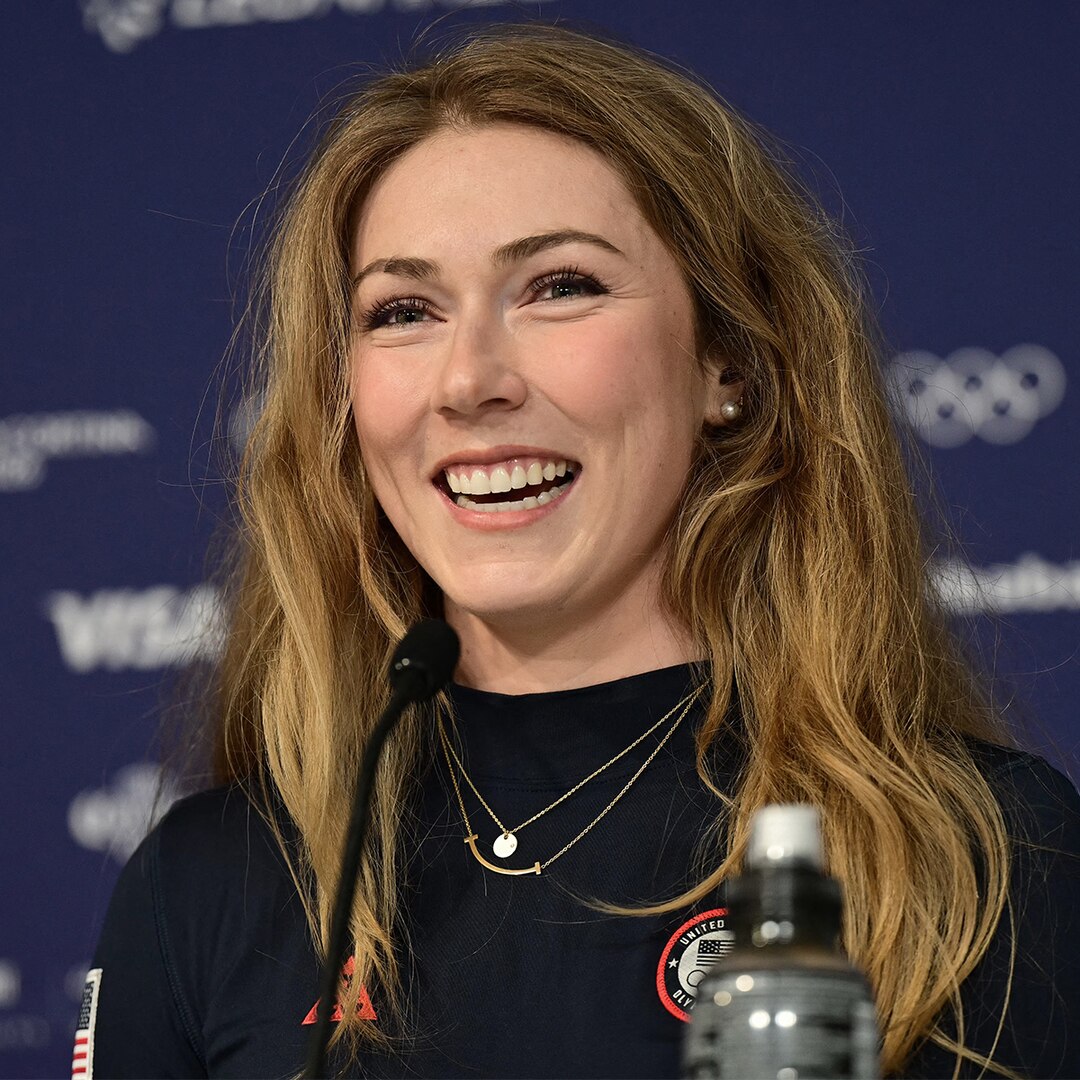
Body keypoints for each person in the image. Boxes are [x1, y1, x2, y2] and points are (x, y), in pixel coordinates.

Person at [80, 22, 1080, 1080]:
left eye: (560, 287)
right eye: (404, 310)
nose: (470, 380)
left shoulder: (984, 854)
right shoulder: (206, 885)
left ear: (729, 363)